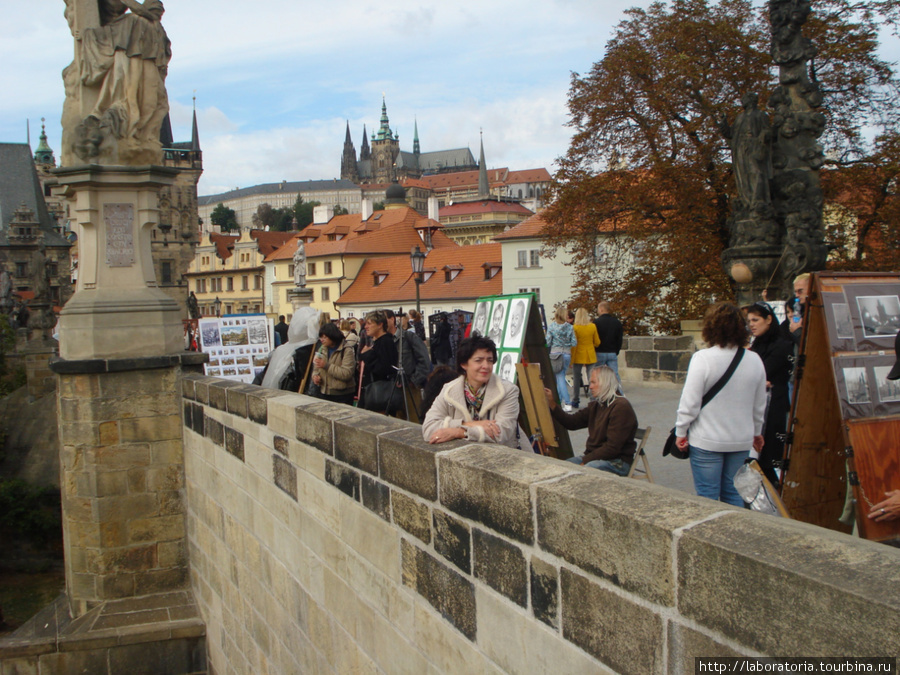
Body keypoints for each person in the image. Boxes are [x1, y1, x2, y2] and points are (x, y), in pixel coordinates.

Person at [674, 302, 767, 507]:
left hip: (707, 438)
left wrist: (681, 431)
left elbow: (690, 402)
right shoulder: (754, 360)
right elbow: (759, 404)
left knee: (707, 496)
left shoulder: (703, 359)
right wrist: (757, 431)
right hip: (740, 438)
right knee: (734, 495)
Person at [423, 336, 522, 448]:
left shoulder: (508, 390)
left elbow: (500, 433)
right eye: (478, 360)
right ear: (464, 364)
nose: (486, 366)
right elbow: (428, 428)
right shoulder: (449, 390)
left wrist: (459, 432)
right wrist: (470, 424)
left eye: (489, 360)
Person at [545, 366, 638, 476]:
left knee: (584, 471)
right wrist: (552, 404)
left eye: (593, 382)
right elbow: (572, 422)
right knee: (561, 467)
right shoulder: (597, 405)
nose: (590, 387)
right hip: (595, 457)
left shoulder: (621, 407)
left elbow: (612, 448)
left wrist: (585, 461)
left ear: (605, 383)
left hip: (617, 461)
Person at [747, 301, 794, 487]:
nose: (751, 324)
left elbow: (761, 373)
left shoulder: (780, 344)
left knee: (769, 454)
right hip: (760, 404)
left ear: (768, 320)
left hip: (775, 406)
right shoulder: (758, 343)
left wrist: (758, 379)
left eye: (755, 319)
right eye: (749, 320)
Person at [359, 310, 400, 411]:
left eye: (369, 323)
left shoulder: (386, 342)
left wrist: (367, 354)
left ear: (380, 325)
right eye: (365, 323)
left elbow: (384, 369)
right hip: (373, 392)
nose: (365, 327)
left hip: (380, 395)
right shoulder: (378, 342)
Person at [384, 309, 432, 389]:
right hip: (389, 388)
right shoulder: (382, 341)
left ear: (392, 319)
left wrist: (413, 381)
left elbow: (424, 361)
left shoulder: (409, 337)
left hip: (408, 388)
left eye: (383, 319)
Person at [311, 322, 357, 404]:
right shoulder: (322, 349)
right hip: (324, 392)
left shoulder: (346, 350)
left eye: (325, 337)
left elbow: (347, 373)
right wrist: (315, 376)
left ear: (333, 336)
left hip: (342, 395)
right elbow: (316, 368)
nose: (322, 340)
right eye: (320, 337)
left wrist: (326, 366)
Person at [546, 305, 577, 412]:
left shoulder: (552, 327)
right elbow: (574, 342)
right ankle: (558, 400)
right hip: (567, 353)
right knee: (562, 377)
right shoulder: (570, 327)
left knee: (560, 378)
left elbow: (548, 342)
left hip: (555, 354)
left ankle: (567, 402)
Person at [571, 308, 600, 408]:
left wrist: (571, 359)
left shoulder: (575, 328)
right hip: (590, 354)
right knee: (591, 377)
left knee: (576, 378)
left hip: (578, 354)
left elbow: (573, 344)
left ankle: (575, 399)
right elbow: (597, 342)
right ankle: (593, 399)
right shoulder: (592, 326)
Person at [593, 301, 624, 389]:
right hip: (612, 352)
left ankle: (600, 393)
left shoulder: (596, 322)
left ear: (601, 309)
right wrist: (616, 351)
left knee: (598, 374)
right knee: (615, 374)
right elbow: (619, 339)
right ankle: (619, 392)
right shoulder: (616, 322)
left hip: (599, 352)